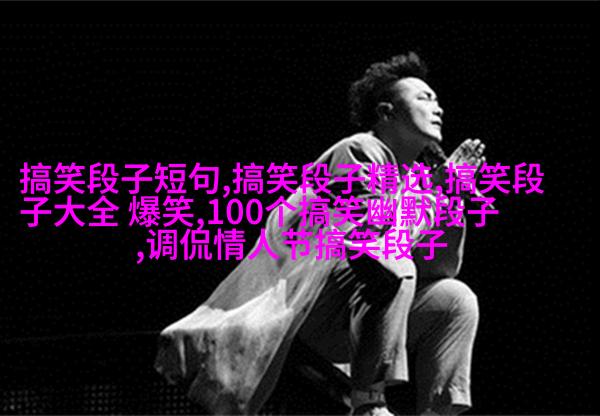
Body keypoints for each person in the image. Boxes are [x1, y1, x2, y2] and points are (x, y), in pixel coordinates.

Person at [155, 52, 483, 416]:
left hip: (356, 322)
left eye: (436, 99)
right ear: (386, 112)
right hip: (308, 310)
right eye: (424, 97)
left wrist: (452, 199)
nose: (437, 107)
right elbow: (374, 242)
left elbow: (442, 268)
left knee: (456, 299)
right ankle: (369, 402)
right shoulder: (359, 150)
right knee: (393, 263)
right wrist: (434, 194)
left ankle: (438, 413)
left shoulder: (416, 183)